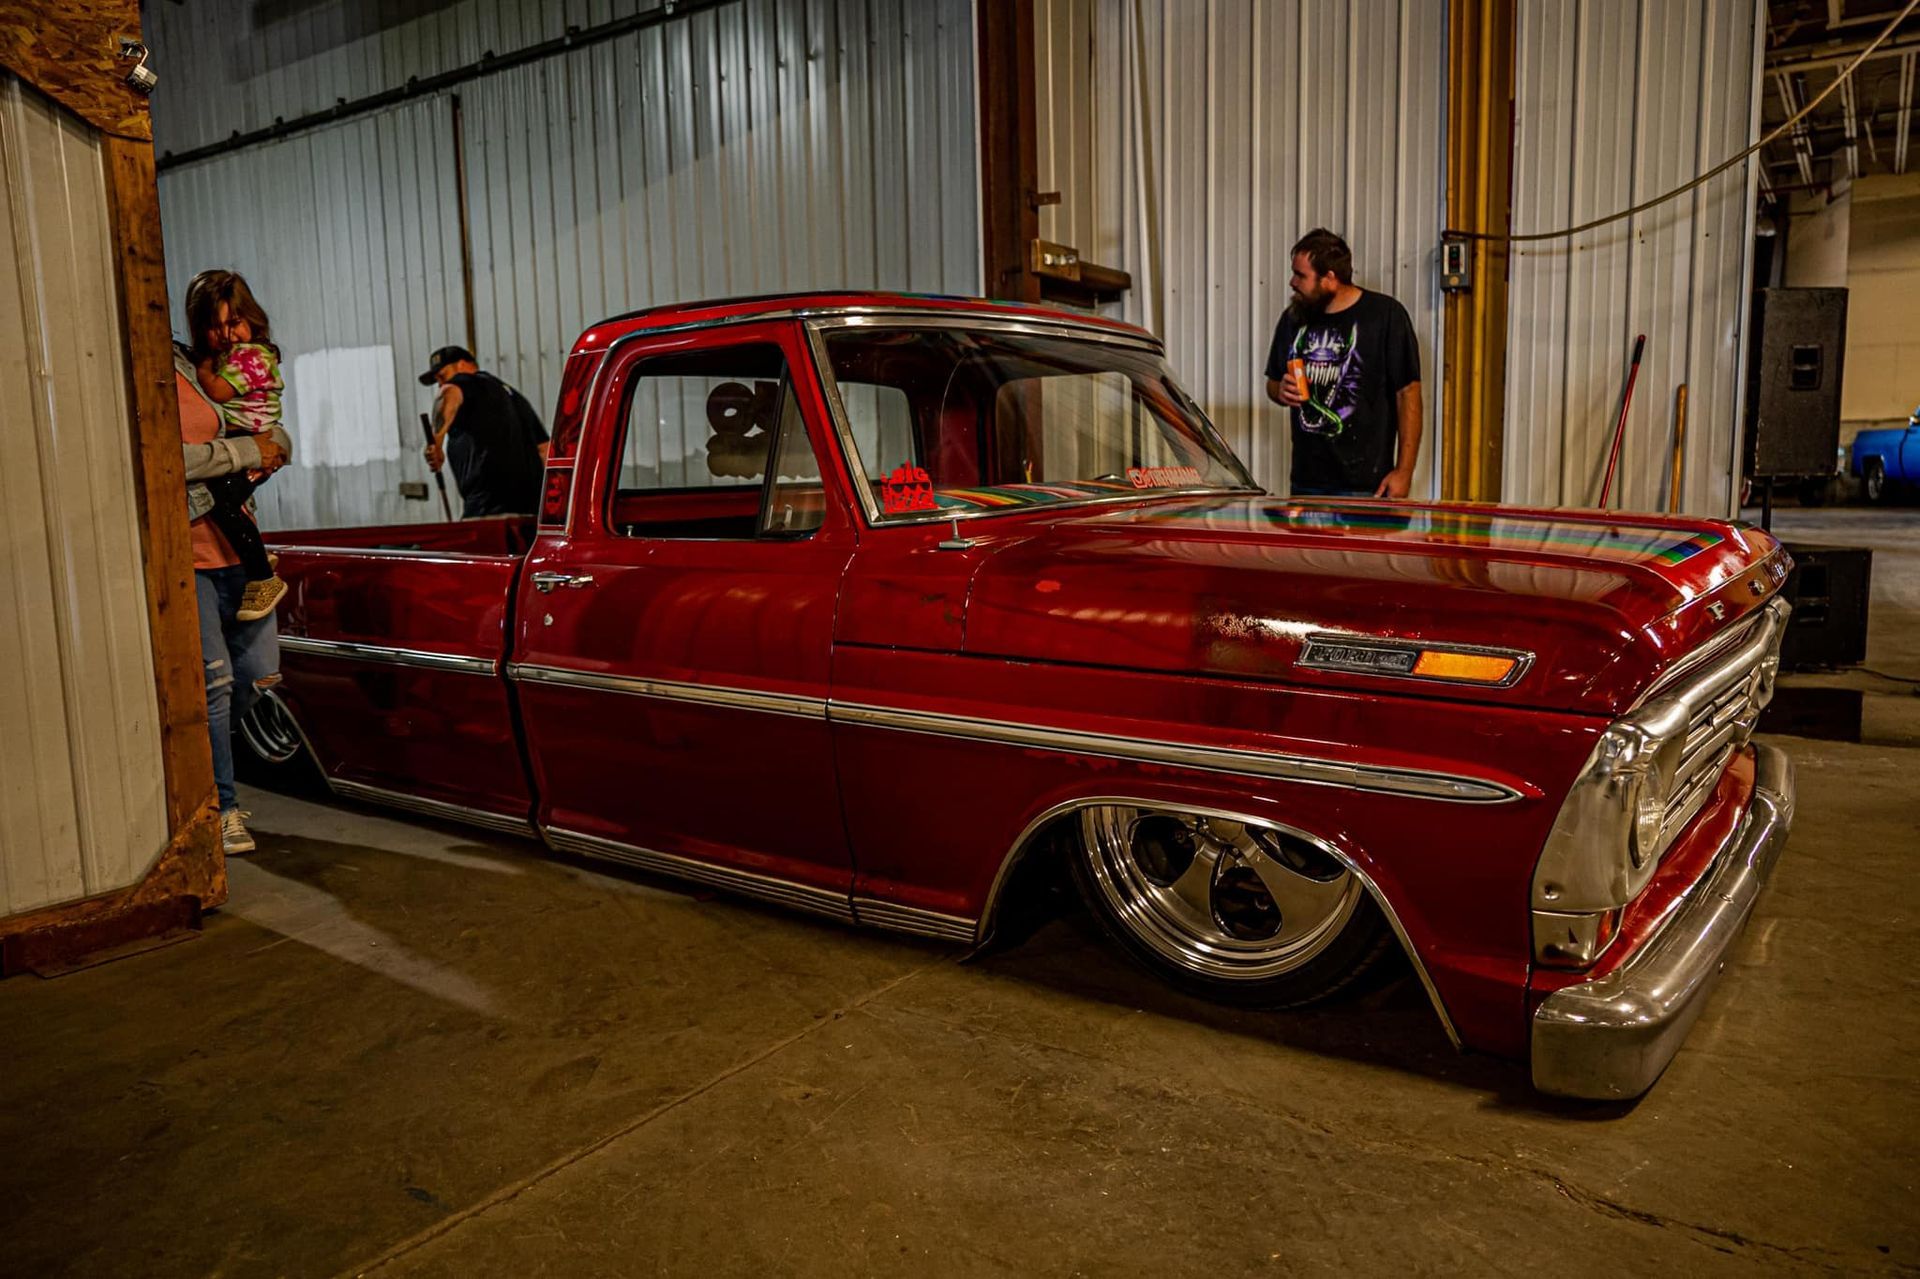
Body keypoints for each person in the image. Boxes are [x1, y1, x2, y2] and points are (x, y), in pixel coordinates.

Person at [179, 330, 292, 855]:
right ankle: (223, 809)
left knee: (259, 674)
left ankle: (212, 767)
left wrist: (275, 443)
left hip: (240, 553)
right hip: (193, 555)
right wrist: (247, 450)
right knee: (217, 685)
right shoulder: (151, 380)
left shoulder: (206, 366)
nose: (226, 332)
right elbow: (170, 460)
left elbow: (271, 431)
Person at [1263, 228, 1423, 499]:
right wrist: (1279, 391)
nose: (1292, 282)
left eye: (1301, 275)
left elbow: (1408, 393)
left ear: (1329, 278)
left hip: (1367, 487)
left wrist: (1404, 471)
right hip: (1306, 484)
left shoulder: (1385, 316)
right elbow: (1273, 382)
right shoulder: (1293, 318)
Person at [186, 270, 288, 621]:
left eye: (234, 323)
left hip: (251, 437)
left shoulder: (249, 355)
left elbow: (217, 392)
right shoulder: (240, 353)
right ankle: (255, 555)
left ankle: (263, 577)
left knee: (224, 502)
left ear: (251, 318)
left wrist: (203, 368)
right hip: (247, 437)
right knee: (227, 500)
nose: (228, 335)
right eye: (216, 327)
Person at [419, 345, 550, 518]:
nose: (440, 384)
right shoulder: (515, 397)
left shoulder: (464, 382)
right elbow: (545, 450)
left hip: (487, 509)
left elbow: (449, 392)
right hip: (531, 512)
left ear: (462, 364)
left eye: (442, 376)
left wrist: (435, 442)